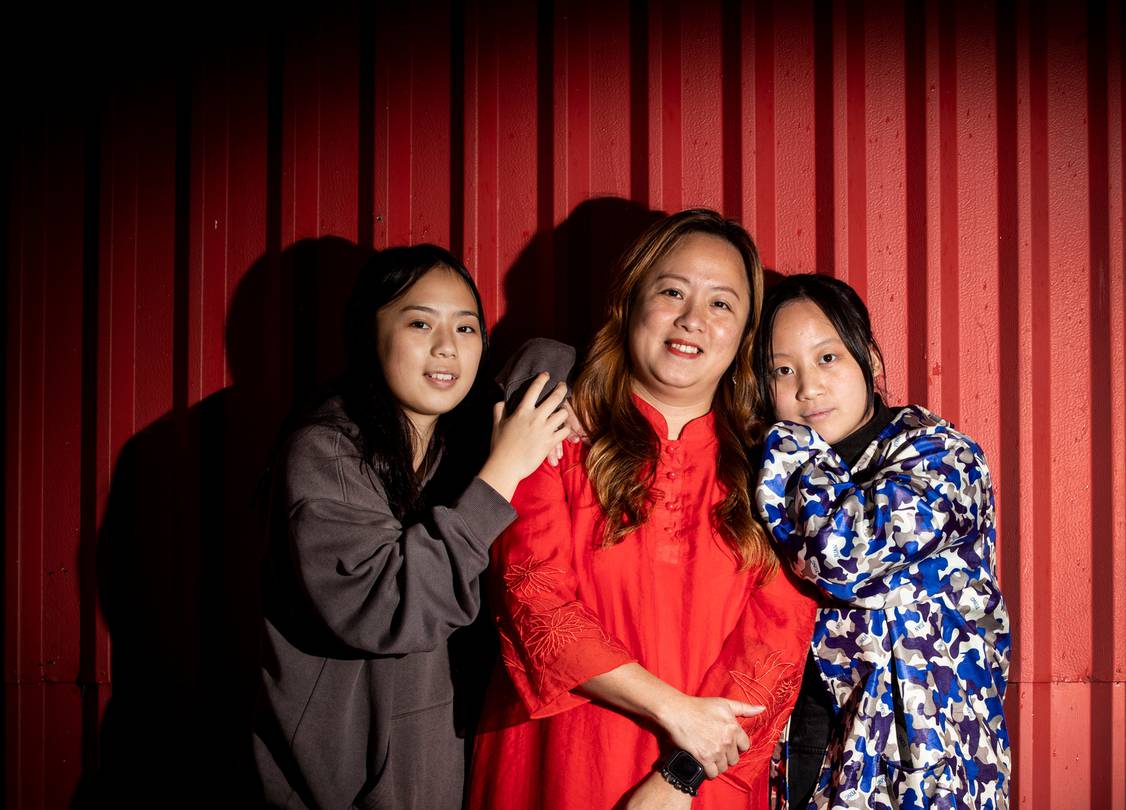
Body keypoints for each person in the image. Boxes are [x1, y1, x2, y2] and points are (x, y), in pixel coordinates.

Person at [467, 209, 817, 810]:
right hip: (560, 763)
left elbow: (776, 644)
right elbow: (532, 595)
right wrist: (673, 711)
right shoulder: (553, 431)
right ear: (630, 302)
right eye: (673, 291)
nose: (691, 320)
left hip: (704, 777)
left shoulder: (777, 471)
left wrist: (682, 774)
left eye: (721, 304)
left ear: (744, 335)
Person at [252, 244, 572, 809]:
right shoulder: (325, 452)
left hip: (444, 766)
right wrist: (502, 472)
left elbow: (554, 354)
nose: (446, 346)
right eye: (420, 322)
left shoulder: (460, 440)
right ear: (368, 334)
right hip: (337, 788)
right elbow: (388, 606)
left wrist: (549, 402)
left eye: (467, 327)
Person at [753, 274, 1011, 810]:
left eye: (827, 358)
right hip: (808, 759)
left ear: (869, 359)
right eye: (783, 369)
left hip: (927, 774)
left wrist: (787, 441)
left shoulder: (944, 460)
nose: (807, 387)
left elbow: (843, 555)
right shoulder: (772, 479)